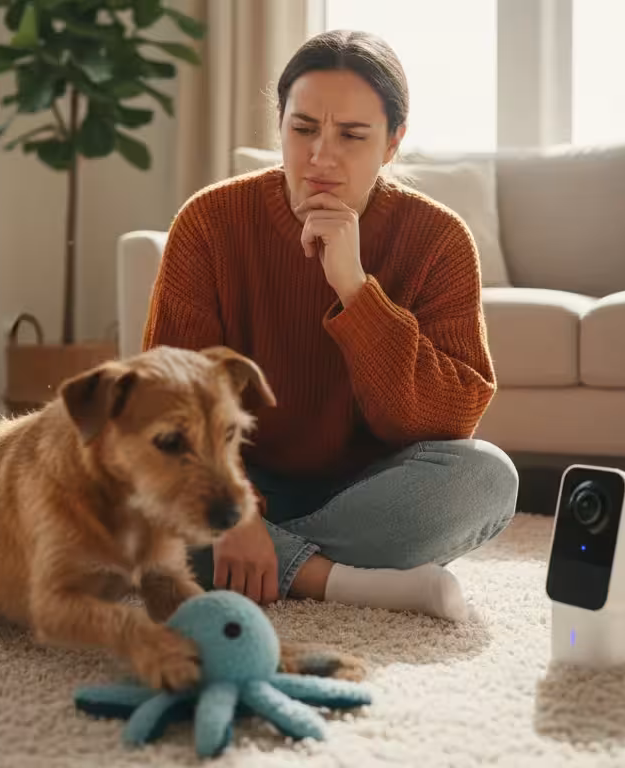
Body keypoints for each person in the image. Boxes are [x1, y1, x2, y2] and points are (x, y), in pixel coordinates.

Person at [141, 29, 518, 622]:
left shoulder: (439, 239)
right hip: (235, 480)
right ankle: (340, 580)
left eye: (352, 135)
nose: (321, 156)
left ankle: (272, 563)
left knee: (487, 479)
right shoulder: (209, 222)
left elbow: (448, 420)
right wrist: (237, 511)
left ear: (393, 142)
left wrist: (356, 289)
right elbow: (168, 404)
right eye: (303, 128)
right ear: (280, 125)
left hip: (367, 488)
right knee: (136, 487)